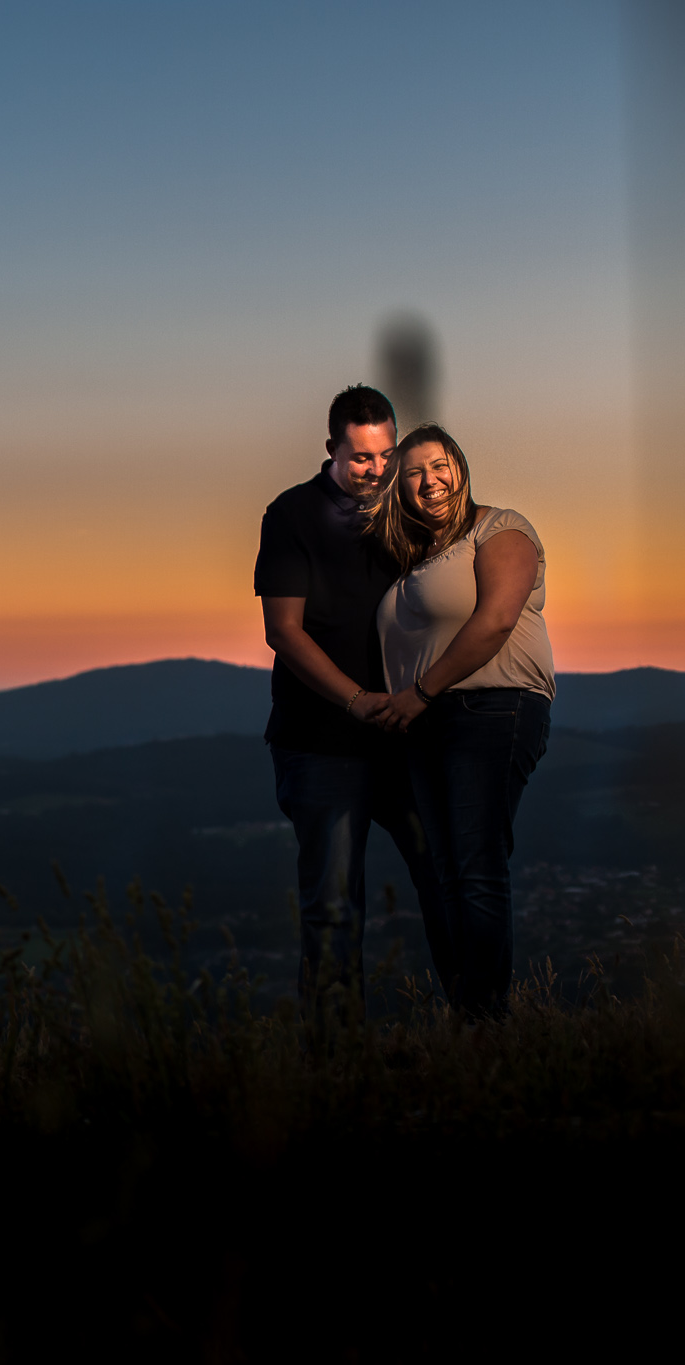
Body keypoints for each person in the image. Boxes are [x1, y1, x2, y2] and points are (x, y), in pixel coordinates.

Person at [254, 385, 443, 1013]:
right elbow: (283, 631)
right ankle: (338, 1066)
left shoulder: (407, 511)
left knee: (448, 881)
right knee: (334, 910)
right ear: (331, 448)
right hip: (321, 742)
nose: (377, 470)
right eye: (361, 457)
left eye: (387, 455)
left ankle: (482, 1030)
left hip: (408, 736)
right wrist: (357, 700)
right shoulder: (291, 515)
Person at [364, 425, 552, 1016]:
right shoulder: (415, 557)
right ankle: (469, 1016)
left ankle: (485, 1023)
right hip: (427, 724)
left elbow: (496, 620)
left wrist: (419, 691)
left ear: (461, 467)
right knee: (445, 875)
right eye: (414, 472)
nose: (430, 480)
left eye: (439, 464)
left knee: (475, 868)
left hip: (493, 709)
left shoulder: (501, 529)